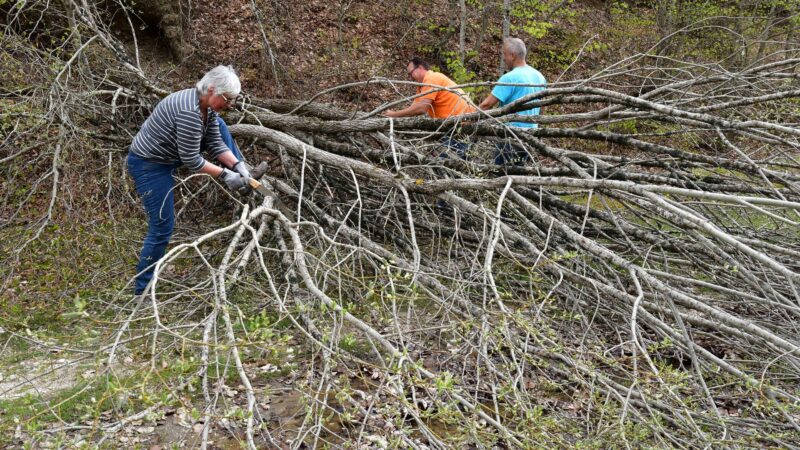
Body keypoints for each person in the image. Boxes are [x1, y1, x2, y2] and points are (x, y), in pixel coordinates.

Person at [127, 65, 261, 296]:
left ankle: (245, 172)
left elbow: (215, 143)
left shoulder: (206, 108)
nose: (230, 105)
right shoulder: (189, 111)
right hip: (150, 164)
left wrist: (237, 165)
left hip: (169, 156)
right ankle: (142, 290)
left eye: (233, 101)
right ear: (211, 90)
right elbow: (191, 159)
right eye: (227, 99)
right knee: (162, 226)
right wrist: (225, 175)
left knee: (219, 126)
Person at [384, 57, 476, 158]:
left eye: (411, 73)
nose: (410, 77)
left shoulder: (431, 79)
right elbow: (414, 107)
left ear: (420, 68)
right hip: (452, 124)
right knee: (447, 158)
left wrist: (394, 115)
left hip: (461, 123)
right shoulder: (423, 84)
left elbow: (422, 108)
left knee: (453, 161)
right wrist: (395, 116)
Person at [478, 37, 547, 166]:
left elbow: (486, 104)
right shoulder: (539, 76)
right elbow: (540, 106)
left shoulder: (509, 78)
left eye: (504, 54)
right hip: (531, 136)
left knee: (501, 174)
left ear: (513, 55)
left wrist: (467, 121)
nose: (503, 58)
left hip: (511, 137)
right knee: (519, 175)